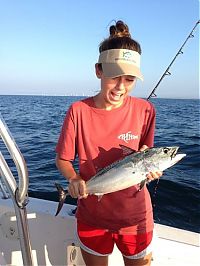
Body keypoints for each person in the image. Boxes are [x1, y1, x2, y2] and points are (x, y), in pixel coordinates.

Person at [55, 20, 162, 266]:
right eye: (114, 76)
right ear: (98, 71)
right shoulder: (78, 111)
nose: (121, 87)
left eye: (130, 79)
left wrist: (152, 170)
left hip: (136, 218)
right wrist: (73, 179)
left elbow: (146, 154)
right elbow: (63, 159)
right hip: (92, 216)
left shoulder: (146, 110)